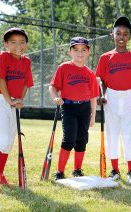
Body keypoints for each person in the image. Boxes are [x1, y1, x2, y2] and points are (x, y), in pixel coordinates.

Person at [0, 27, 34, 190]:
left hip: (14, 103)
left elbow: (26, 83)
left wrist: (19, 100)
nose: (18, 45)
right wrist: (9, 100)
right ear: (6, 44)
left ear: (26, 44)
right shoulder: (4, 56)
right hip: (1, 101)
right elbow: (0, 79)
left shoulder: (26, 61)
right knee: (2, 140)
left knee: (9, 142)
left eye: (22, 42)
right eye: (13, 42)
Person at [96, 16, 131, 184]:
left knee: (128, 134)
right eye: (118, 33)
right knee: (112, 133)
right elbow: (102, 81)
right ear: (113, 35)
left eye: (125, 34)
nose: (122, 37)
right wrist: (102, 95)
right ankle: (115, 170)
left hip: (129, 96)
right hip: (111, 97)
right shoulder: (105, 57)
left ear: (129, 37)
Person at [49, 36, 99, 181]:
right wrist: (55, 97)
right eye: (76, 49)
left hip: (84, 109)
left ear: (88, 52)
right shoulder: (64, 67)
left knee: (82, 140)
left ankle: (77, 170)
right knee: (69, 139)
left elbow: (93, 97)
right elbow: (52, 87)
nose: (80, 53)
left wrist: (93, 115)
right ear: (70, 52)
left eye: (83, 50)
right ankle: (59, 172)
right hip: (68, 107)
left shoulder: (90, 73)